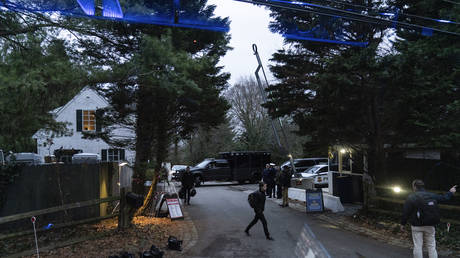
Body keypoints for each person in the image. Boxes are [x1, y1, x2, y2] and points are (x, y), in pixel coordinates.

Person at [400, 179, 457, 258]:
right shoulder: (431, 195)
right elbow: (444, 198)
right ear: (423, 186)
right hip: (430, 225)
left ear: (414, 187)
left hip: (416, 226)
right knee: (431, 247)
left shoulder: (411, 197)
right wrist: (450, 192)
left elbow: (406, 212)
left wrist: (402, 224)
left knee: (418, 246)